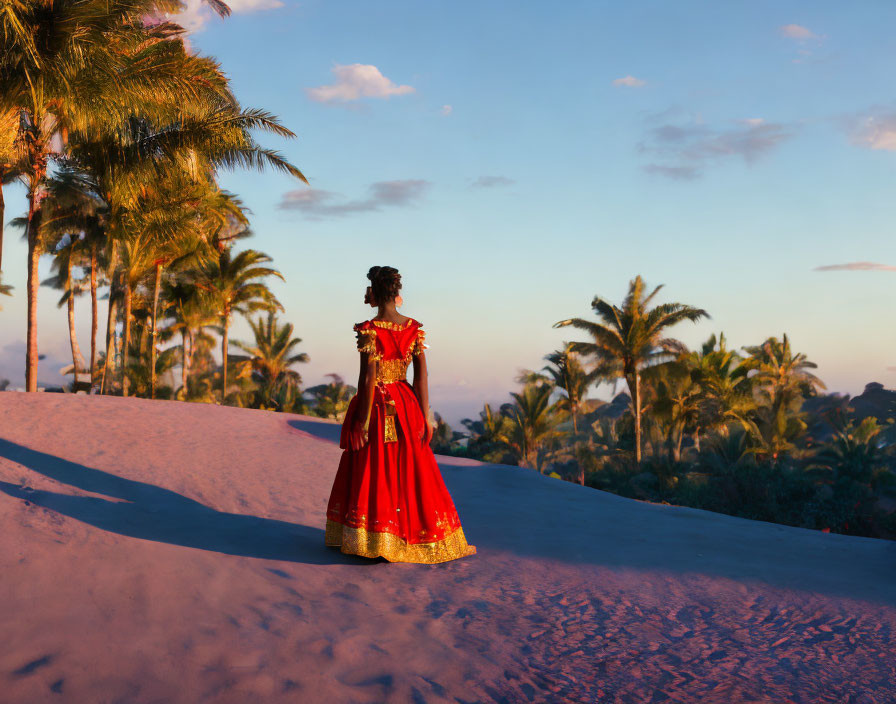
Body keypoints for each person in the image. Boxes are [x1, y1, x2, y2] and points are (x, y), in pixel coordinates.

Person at [324, 266, 477, 563]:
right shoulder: (414, 329)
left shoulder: (370, 329)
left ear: (375, 292)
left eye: (368, 287)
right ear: (396, 293)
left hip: (378, 406)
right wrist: (425, 416)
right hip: (406, 406)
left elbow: (367, 379)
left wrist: (363, 421)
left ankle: (374, 539)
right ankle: (411, 536)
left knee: (376, 469)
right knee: (410, 470)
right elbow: (422, 377)